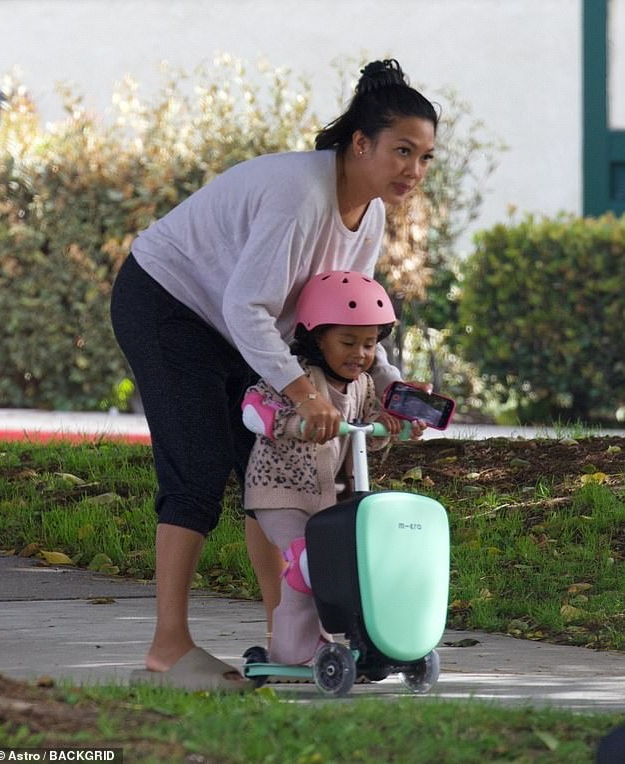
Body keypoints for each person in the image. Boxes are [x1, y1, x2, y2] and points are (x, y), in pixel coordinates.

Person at [110, 58, 438, 691]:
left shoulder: (365, 214)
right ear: (360, 144)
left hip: (239, 322)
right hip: (168, 302)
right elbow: (244, 305)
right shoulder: (299, 194)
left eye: (425, 158)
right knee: (198, 466)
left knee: (271, 471)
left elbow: (343, 319)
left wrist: (391, 385)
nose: (413, 170)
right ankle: (167, 649)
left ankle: (288, 638)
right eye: (402, 151)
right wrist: (299, 389)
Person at [242, 271, 412, 665]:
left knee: (354, 566)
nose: (360, 353)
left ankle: (364, 641)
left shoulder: (364, 385)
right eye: (348, 342)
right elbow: (254, 406)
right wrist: (295, 422)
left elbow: (365, 431)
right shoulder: (297, 378)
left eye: (370, 344)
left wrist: (386, 425)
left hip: (330, 497)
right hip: (280, 492)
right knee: (306, 560)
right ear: (318, 339)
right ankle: (292, 647)